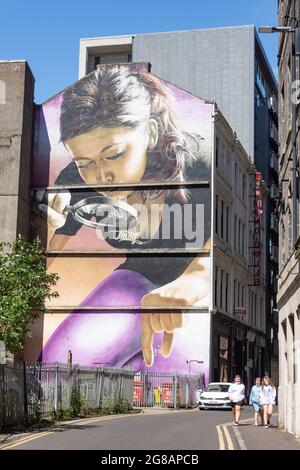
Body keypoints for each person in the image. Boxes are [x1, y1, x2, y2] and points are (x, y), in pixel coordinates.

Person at [34, 65, 211, 372]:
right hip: (134, 279)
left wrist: (194, 279)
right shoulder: (76, 180)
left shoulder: (195, 160)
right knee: (55, 368)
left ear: (151, 133)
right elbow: (44, 259)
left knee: (180, 370)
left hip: (193, 292)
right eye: (85, 162)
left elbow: (221, 242)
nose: (101, 176)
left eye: (114, 154)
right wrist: (43, 227)